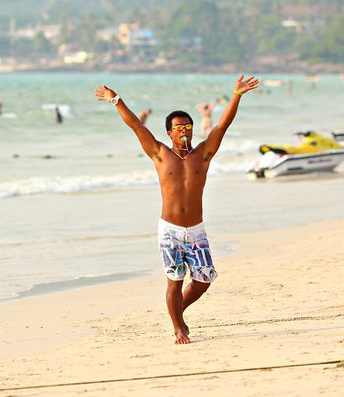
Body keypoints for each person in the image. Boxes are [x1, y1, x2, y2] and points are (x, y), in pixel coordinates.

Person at [94, 75, 259, 345]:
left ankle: (177, 310)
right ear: (169, 133)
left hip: (196, 230)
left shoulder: (203, 155)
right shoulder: (159, 153)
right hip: (169, 230)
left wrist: (237, 95)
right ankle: (178, 327)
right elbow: (135, 125)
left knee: (204, 280)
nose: (184, 131)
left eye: (188, 126)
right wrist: (116, 100)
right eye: (179, 127)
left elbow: (223, 125)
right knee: (175, 281)